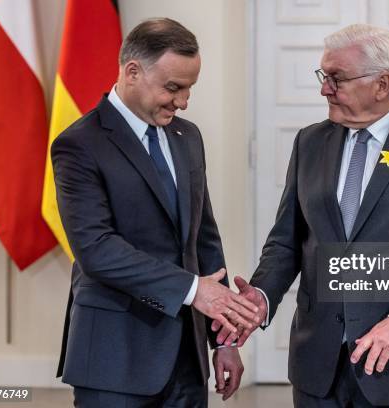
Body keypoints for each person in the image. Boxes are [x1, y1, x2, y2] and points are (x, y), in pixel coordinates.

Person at [213, 24, 389, 407]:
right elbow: (287, 241)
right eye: (324, 76)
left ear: (382, 84)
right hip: (317, 368)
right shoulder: (310, 142)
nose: (325, 88)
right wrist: (261, 295)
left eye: (336, 78)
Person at [52, 18, 259, 407]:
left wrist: (224, 338)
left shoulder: (188, 136)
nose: (182, 102)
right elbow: (97, 250)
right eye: (173, 88)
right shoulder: (79, 144)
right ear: (132, 72)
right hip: (115, 359)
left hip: (187, 360)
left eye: (189, 89)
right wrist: (195, 291)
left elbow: (204, 239)